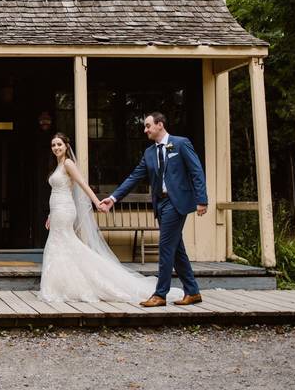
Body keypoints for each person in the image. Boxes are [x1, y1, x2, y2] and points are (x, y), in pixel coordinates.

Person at [39, 132, 170, 303]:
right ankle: (61, 285)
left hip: (65, 210)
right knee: (60, 244)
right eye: (53, 145)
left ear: (66, 146)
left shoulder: (68, 163)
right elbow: (57, 191)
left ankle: (72, 284)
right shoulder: (57, 165)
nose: (56, 148)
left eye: (59, 144)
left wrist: (97, 202)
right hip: (57, 210)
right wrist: (50, 214)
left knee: (63, 243)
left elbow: (83, 184)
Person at [100, 112, 208, 307]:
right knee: (176, 250)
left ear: (160, 125)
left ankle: (160, 295)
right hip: (161, 204)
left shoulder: (181, 143)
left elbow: (196, 171)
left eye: (148, 126)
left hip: (177, 203)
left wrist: (202, 200)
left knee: (166, 247)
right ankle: (192, 292)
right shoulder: (149, 153)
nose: (145, 130)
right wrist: (114, 198)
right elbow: (134, 177)